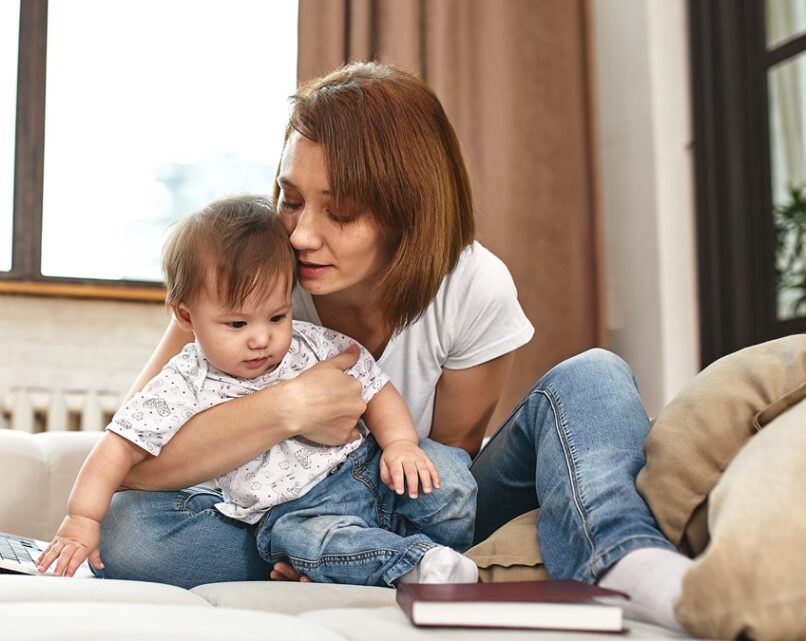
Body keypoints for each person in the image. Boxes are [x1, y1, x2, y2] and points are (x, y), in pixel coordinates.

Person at [95, 62, 693, 632]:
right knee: (130, 533)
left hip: (417, 499)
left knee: (594, 373)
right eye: (291, 198)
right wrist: (291, 408)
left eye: (343, 213)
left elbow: (451, 464)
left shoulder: (474, 286)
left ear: (409, 213)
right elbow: (136, 466)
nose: (301, 235)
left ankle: (624, 564)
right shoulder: (246, 286)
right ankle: (355, 559)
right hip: (287, 519)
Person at [36, 195, 480, 586]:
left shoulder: (310, 343)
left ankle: (443, 556)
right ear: (186, 317)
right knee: (312, 542)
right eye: (236, 323)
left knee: (449, 474)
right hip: (298, 511)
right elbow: (117, 450)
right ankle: (414, 566)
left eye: (276, 317)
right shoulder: (184, 379)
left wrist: (401, 444)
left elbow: (376, 388)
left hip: (371, 472)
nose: (260, 339)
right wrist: (81, 519)